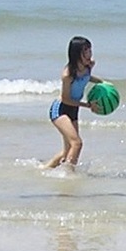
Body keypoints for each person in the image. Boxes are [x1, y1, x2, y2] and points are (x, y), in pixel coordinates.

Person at [43, 36, 95, 171]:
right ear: (77, 54)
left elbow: (87, 77)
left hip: (74, 110)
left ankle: (44, 169)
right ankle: (68, 175)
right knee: (77, 143)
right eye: (86, 51)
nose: (90, 54)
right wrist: (88, 105)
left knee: (67, 151)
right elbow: (66, 99)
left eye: (90, 50)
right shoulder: (68, 74)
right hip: (60, 110)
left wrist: (104, 83)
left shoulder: (89, 66)